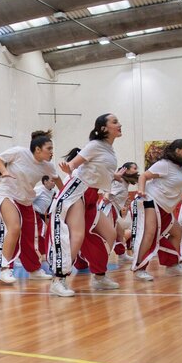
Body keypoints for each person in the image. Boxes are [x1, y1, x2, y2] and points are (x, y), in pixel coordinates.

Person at [47, 113, 123, 297]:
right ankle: (58, 280)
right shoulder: (95, 145)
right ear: (103, 128)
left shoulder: (108, 148)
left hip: (91, 194)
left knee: (110, 233)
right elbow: (74, 164)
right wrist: (68, 168)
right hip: (77, 190)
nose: (119, 124)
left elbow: (98, 168)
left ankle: (99, 276)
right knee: (77, 235)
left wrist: (115, 176)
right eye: (114, 122)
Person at [0, 130, 65, 285]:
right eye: (49, 149)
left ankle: (34, 270)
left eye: (52, 149)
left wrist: (66, 195)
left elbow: (58, 180)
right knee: (14, 228)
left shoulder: (47, 166)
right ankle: (5, 269)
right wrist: (4, 171)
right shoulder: (19, 152)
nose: (52, 152)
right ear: (38, 149)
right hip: (8, 195)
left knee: (29, 237)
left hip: (26, 201)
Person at [130, 139, 182, 281]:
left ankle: (172, 266)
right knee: (149, 234)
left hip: (165, 207)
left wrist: (180, 199)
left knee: (177, 232)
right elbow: (143, 176)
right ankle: (139, 268)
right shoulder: (164, 164)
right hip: (151, 201)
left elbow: (173, 186)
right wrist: (141, 190)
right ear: (177, 151)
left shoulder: (181, 169)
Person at [100, 161, 139, 264]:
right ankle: (100, 258)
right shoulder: (120, 182)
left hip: (113, 209)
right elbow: (108, 192)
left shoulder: (124, 182)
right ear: (126, 170)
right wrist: (106, 196)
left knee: (120, 233)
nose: (137, 171)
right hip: (108, 209)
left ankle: (122, 255)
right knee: (109, 236)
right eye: (134, 168)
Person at [32, 175, 56, 257]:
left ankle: (42, 253)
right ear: (45, 182)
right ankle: (41, 253)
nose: (54, 183)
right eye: (52, 181)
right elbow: (28, 200)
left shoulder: (52, 192)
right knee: (43, 232)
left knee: (45, 232)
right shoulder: (39, 190)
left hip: (40, 214)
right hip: (33, 213)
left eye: (55, 181)